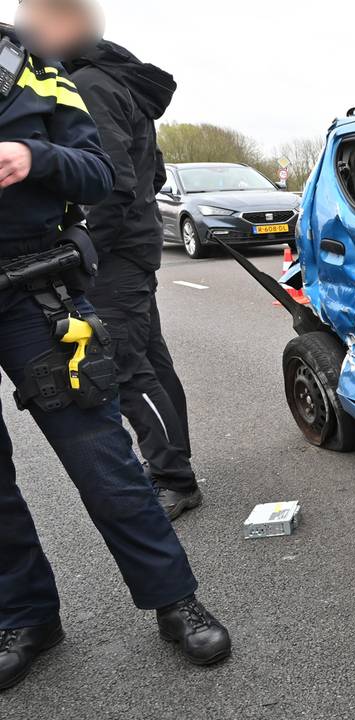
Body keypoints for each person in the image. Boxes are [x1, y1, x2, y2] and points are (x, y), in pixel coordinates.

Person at [0, 0, 229, 693]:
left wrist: (32, 157)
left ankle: (173, 600)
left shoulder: (30, 68)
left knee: (102, 457)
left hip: (31, 289)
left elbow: (102, 173)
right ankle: (26, 618)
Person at [66, 36, 202, 520]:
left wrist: (85, 252)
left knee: (125, 368)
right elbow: (153, 173)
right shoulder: (116, 81)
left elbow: (111, 184)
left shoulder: (88, 85)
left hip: (114, 256)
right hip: (134, 249)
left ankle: (173, 477)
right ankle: (174, 460)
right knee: (151, 360)